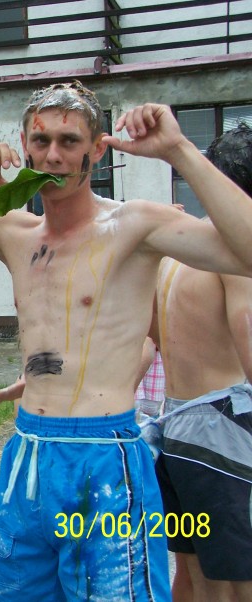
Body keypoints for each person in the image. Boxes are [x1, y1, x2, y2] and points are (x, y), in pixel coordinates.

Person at [0, 81, 252, 600]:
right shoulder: (12, 230)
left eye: (69, 141)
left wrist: (179, 150)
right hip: (29, 454)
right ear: (25, 147)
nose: (53, 155)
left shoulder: (135, 226)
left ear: (96, 150)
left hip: (105, 457)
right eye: (42, 140)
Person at [153, 122, 252, 602]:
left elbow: (154, 334)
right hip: (221, 430)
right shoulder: (234, 256)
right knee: (238, 581)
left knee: (194, 575)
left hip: (175, 429)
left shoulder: (177, 253)